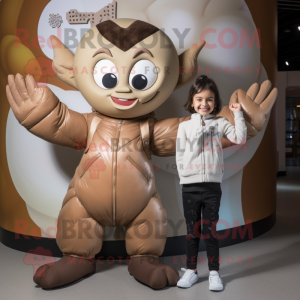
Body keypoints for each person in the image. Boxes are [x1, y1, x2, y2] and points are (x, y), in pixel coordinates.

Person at [175, 75, 247, 291]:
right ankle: (191, 271)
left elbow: (239, 138)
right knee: (191, 231)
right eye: (199, 99)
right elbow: (179, 155)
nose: (204, 104)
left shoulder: (221, 123)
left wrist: (238, 114)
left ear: (215, 102)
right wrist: (186, 176)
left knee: (210, 231)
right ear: (192, 101)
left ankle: (214, 272)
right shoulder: (184, 126)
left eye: (209, 99)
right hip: (190, 187)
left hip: (212, 188)